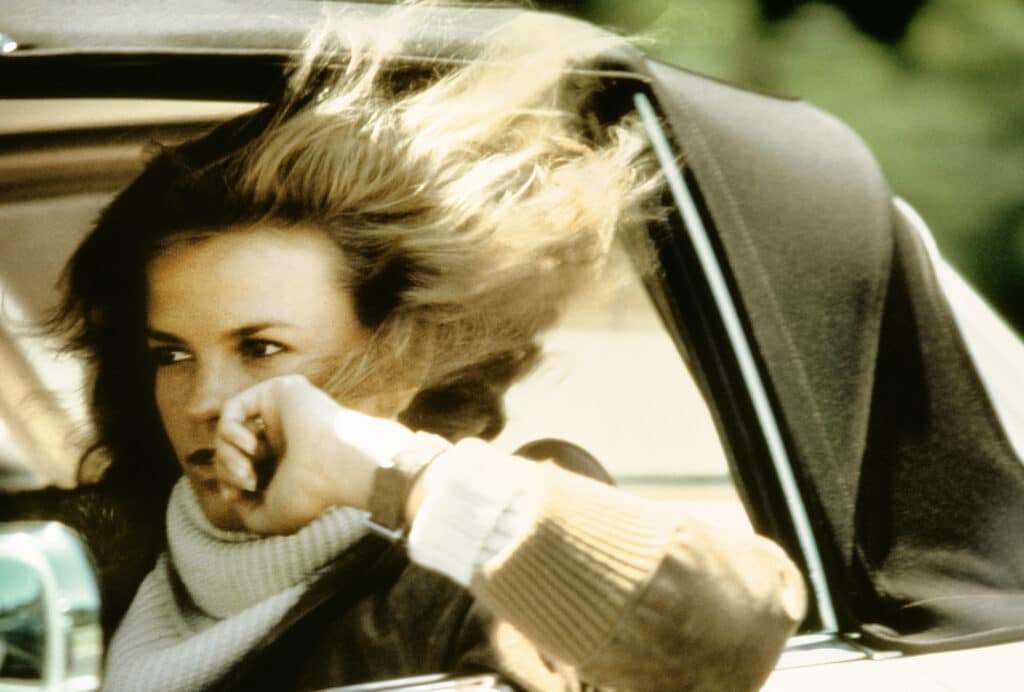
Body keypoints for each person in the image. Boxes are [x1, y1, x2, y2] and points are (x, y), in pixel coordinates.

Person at [12, 9, 806, 691]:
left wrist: (384, 470)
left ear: (403, 355)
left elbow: (729, 631)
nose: (200, 400)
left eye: (259, 347)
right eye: (170, 354)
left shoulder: (479, 576)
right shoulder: (74, 551)